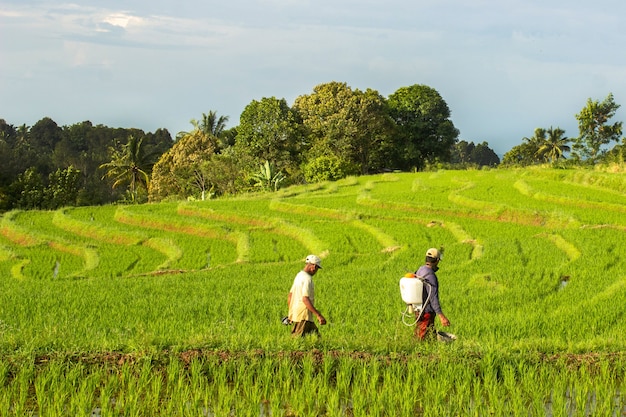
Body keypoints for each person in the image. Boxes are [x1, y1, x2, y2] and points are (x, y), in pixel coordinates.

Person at [414, 248, 450, 340]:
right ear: (437, 260)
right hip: (426, 312)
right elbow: (433, 298)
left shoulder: (420, 270)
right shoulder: (431, 276)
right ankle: (416, 352)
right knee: (422, 338)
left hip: (418, 309)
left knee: (430, 336)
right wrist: (442, 316)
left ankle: (429, 351)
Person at [287, 254, 327, 337]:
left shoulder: (299, 276)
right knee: (297, 339)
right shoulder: (307, 279)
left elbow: (290, 295)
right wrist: (318, 315)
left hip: (300, 313)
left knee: (316, 337)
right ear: (314, 267)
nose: (316, 271)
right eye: (317, 268)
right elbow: (305, 299)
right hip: (303, 315)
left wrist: (291, 313)